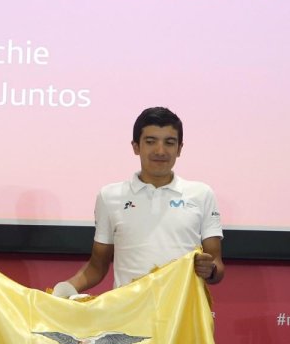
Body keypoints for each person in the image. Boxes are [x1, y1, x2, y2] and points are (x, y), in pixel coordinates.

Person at [53, 106, 224, 297]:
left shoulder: (201, 194)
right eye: (151, 142)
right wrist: (65, 289)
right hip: (127, 315)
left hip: (181, 314)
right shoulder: (109, 196)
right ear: (136, 146)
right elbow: (97, 267)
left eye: (169, 142)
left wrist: (210, 270)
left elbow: (216, 264)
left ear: (179, 149)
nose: (160, 151)